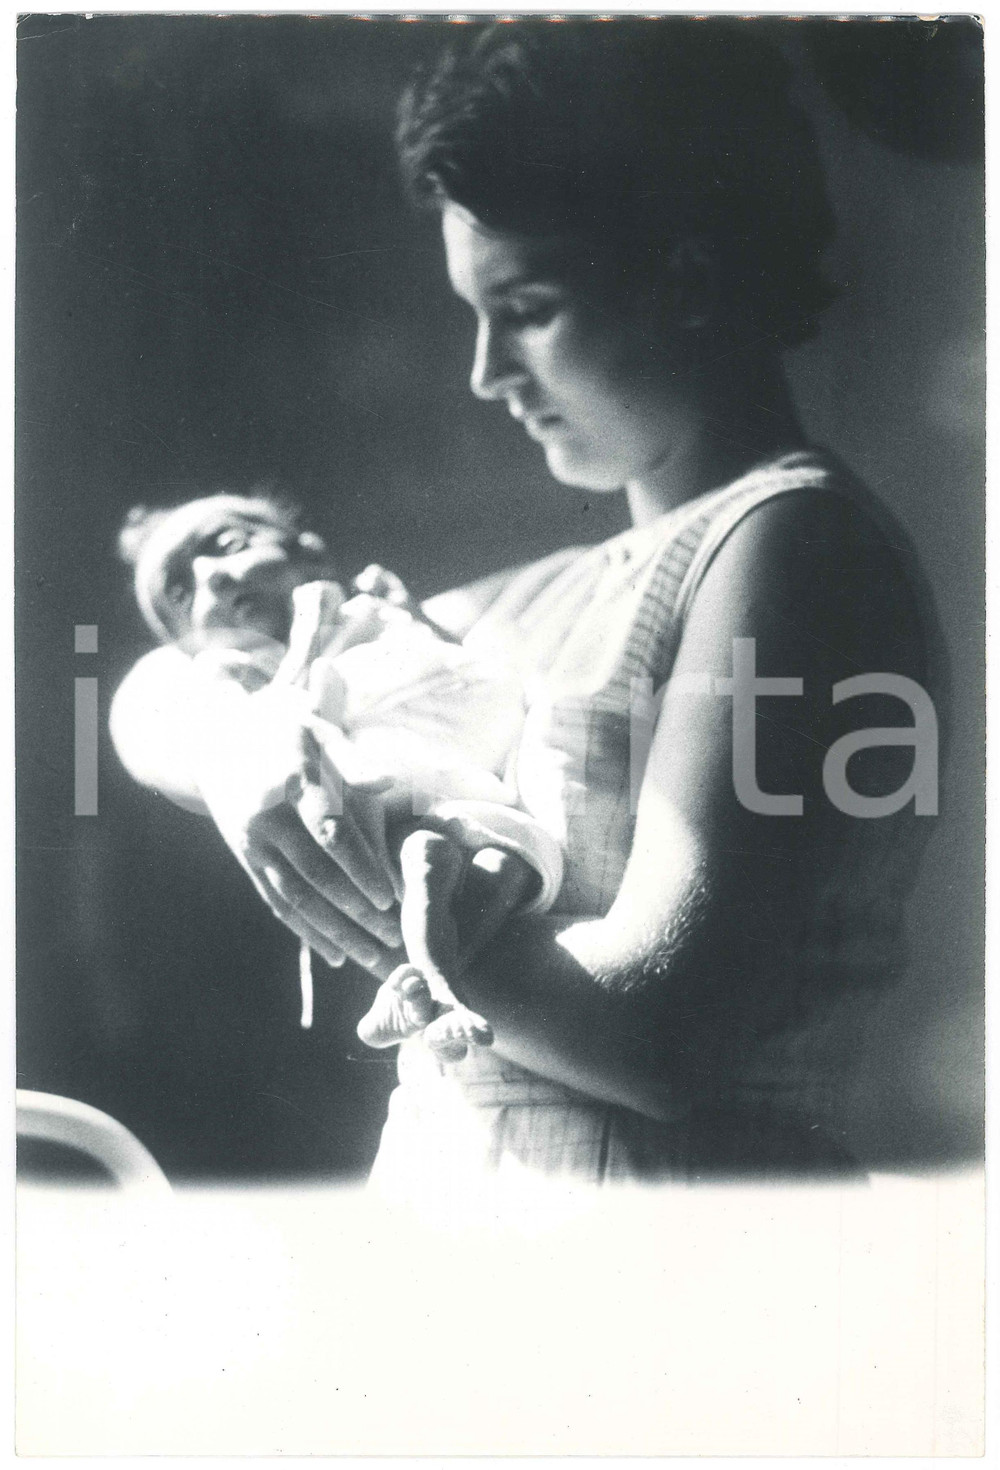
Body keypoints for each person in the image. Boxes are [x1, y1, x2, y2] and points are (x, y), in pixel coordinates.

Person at [112, 20, 944, 1197]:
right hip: (458, 1222)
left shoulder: (793, 545)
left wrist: (371, 869)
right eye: (475, 312)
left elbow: (657, 1034)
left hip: (674, 1246)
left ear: (688, 279)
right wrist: (232, 744)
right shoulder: (521, 603)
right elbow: (157, 688)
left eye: (529, 307)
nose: (485, 373)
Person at [113, 491, 565, 1046]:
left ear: (309, 550)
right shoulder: (243, 674)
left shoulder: (387, 611)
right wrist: (234, 738)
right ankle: (433, 987)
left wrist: (413, 616)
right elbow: (156, 700)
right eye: (181, 595)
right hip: (381, 787)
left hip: (472, 784)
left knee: (509, 863)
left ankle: (427, 987)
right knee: (425, 859)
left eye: (228, 544)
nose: (212, 577)